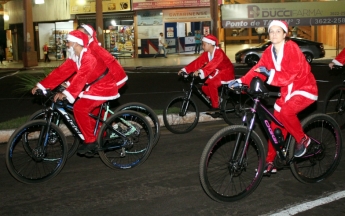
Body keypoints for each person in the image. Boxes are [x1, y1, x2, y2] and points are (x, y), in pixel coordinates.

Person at [228, 20, 318, 174]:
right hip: (286, 92)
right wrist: (240, 81)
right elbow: (258, 69)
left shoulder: (292, 48)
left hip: (303, 88)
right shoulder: (269, 51)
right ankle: (270, 162)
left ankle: (304, 140)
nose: (274, 34)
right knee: (274, 127)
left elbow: (291, 74)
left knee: (286, 113)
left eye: (278, 31)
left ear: (285, 34)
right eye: (271, 31)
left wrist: (270, 74)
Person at [31, 30, 119, 155]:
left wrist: (66, 93)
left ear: (76, 43)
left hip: (104, 86)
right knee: (89, 112)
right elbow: (61, 72)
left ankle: (91, 141)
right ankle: (102, 134)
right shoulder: (76, 57)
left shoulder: (89, 57)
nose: (66, 44)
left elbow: (81, 77)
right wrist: (42, 86)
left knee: (80, 107)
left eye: (68, 42)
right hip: (93, 87)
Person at [178, 34, 235, 113]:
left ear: (210, 44)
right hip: (216, 71)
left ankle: (215, 107)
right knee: (204, 87)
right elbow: (197, 62)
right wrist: (185, 70)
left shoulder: (219, 52)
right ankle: (217, 99)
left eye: (204, 44)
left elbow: (212, 64)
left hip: (226, 72)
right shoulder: (206, 54)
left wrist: (201, 72)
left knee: (212, 84)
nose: (202, 46)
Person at [77, 24, 128, 89]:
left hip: (111, 81)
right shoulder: (88, 47)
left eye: (80, 34)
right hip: (107, 81)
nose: (77, 36)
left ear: (89, 35)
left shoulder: (92, 48)